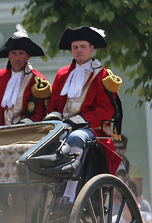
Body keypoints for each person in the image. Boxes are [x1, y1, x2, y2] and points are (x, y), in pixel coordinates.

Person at [44, 26, 123, 206]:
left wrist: (77, 122)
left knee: (75, 137)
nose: (79, 50)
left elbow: (106, 111)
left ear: (91, 49)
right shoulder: (62, 74)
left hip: (91, 130)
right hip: (62, 127)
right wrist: (55, 117)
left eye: (82, 46)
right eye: (75, 47)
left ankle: (70, 193)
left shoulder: (103, 75)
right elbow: (54, 104)